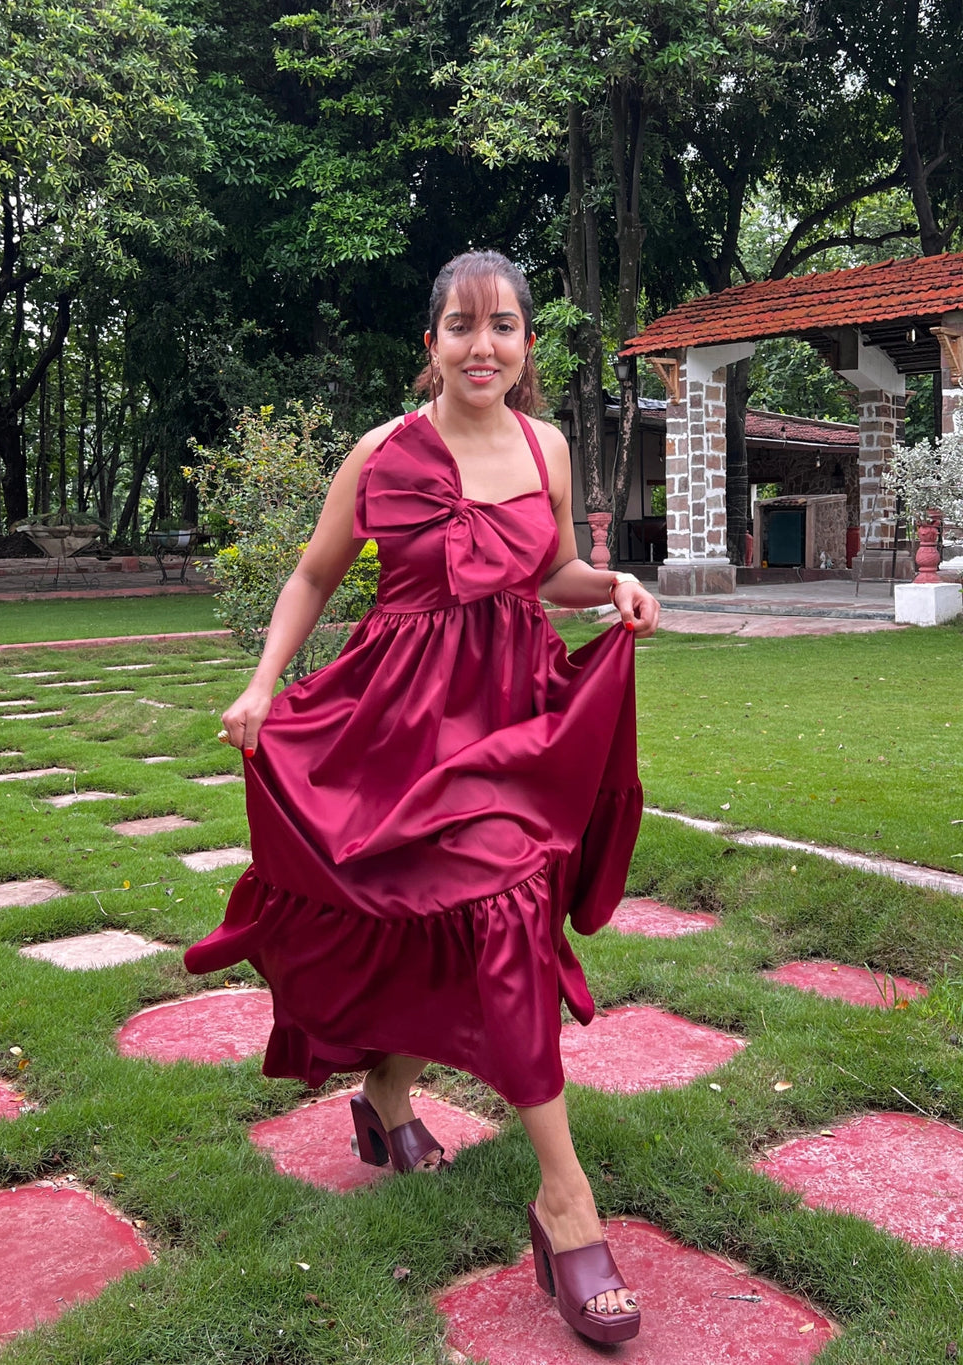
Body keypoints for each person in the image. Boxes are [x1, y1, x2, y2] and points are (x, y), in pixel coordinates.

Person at [186, 249, 660, 1345]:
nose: (482, 345)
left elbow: (552, 577)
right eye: (460, 326)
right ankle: (399, 1104)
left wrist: (617, 585)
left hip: (510, 721)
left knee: (500, 918)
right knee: (420, 920)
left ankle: (560, 1200)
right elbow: (313, 573)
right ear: (430, 343)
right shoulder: (379, 452)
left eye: (502, 327)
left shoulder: (546, 446)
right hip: (396, 723)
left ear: (528, 343)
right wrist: (264, 684)